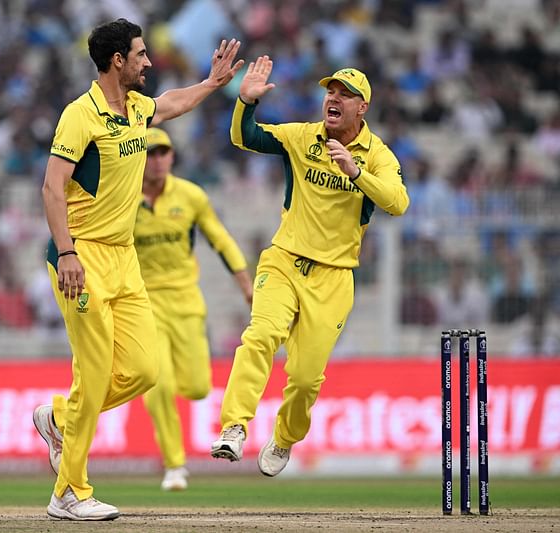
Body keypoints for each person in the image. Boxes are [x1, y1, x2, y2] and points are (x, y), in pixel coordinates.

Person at [33, 18, 243, 521]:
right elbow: (51, 188)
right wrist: (67, 254)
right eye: (141, 55)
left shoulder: (138, 109)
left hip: (125, 259)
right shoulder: (79, 116)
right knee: (96, 369)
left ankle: (58, 417)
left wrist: (213, 84)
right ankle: (70, 492)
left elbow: (173, 103)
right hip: (81, 258)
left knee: (145, 370)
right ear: (117, 61)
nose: (149, 62)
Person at [210, 60, 409, 477]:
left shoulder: (378, 155)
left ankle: (284, 438)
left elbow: (398, 202)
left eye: (345, 94)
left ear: (363, 107)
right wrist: (245, 102)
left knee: (304, 379)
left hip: (334, 277)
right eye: (330, 91)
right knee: (260, 336)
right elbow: (244, 138)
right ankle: (234, 426)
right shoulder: (303, 137)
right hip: (283, 260)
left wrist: (356, 173)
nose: (333, 98)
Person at [135, 127, 253, 491]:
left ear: (172, 157)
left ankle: (175, 457)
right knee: (159, 383)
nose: (157, 160)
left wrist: (248, 288)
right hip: (142, 305)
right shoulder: (122, 199)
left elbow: (222, 241)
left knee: (198, 387)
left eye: (163, 152)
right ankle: (174, 465)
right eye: (151, 153)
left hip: (186, 303)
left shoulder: (190, 196)